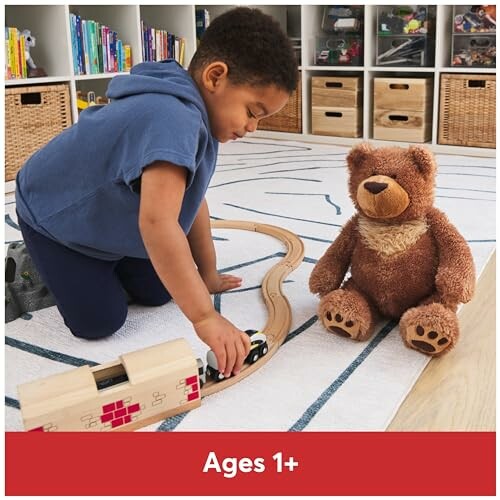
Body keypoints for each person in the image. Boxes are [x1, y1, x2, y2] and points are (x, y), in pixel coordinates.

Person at [15, 7, 297, 378]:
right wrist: (204, 317)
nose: (253, 127)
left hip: (114, 218)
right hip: (54, 218)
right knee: (99, 321)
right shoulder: (173, 119)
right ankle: (29, 262)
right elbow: (159, 222)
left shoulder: (202, 120)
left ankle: (106, 260)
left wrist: (206, 274)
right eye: (252, 111)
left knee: (160, 291)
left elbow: (192, 202)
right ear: (215, 77)